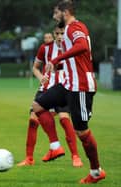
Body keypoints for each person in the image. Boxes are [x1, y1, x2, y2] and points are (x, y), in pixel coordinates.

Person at [32, 1, 106, 184]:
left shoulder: (75, 27)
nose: (54, 16)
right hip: (67, 84)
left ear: (65, 12)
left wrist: (57, 58)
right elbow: (77, 58)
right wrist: (60, 64)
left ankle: (96, 171)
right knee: (37, 106)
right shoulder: (69, 30)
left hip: (80, 86)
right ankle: (55, 146)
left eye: (56, 12)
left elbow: (82, 46)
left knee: (81, 131)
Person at [17, 26, 83, 167]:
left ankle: (75, 157)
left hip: (64, 88)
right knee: (33, 119)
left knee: (64, 120)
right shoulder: (45, 48)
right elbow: (35, 67)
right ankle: (29, 158)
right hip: (46, 89)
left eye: (62, 33)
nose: (59, 36)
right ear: (53, 34)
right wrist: (41, 77)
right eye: (57, 33)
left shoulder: (73, 48)